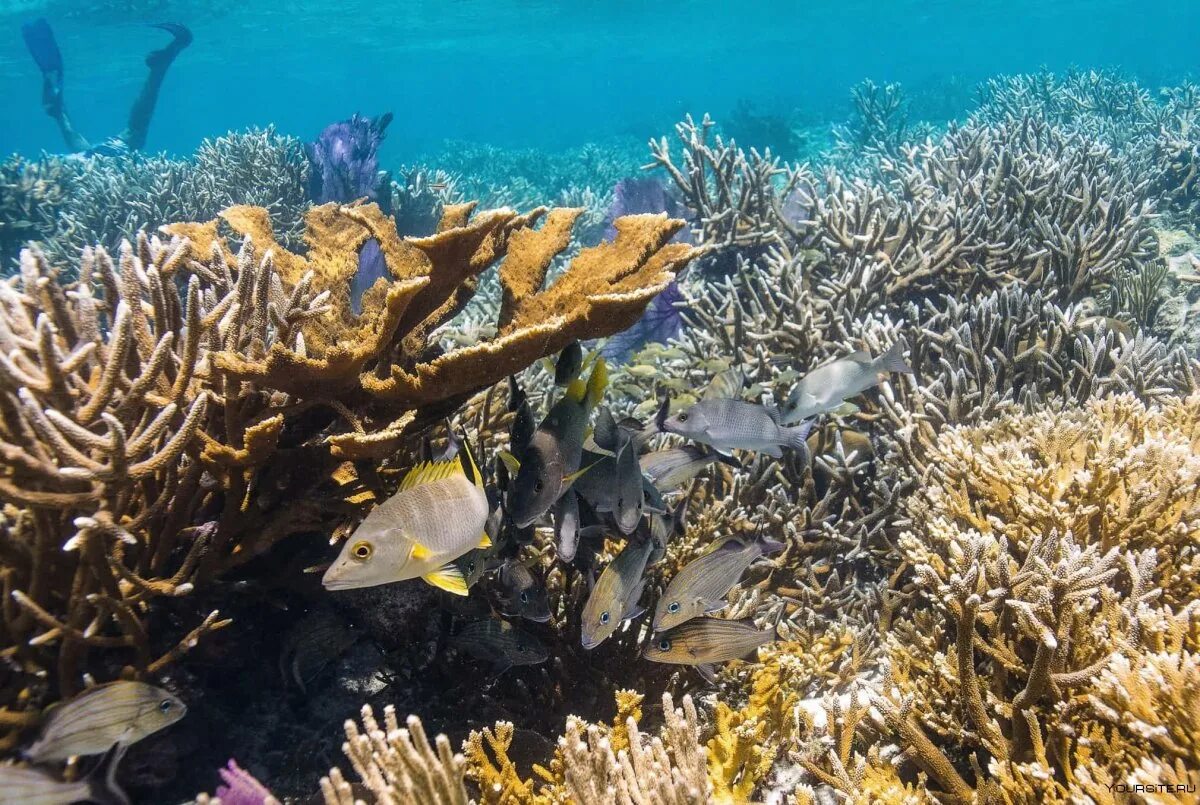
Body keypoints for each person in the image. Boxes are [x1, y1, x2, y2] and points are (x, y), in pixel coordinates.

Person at [21, 18, 192, 156]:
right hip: (90, 172)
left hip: (102, 170)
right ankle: (59, 114)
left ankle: (160, 68)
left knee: (134, 134)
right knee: (91, 158)